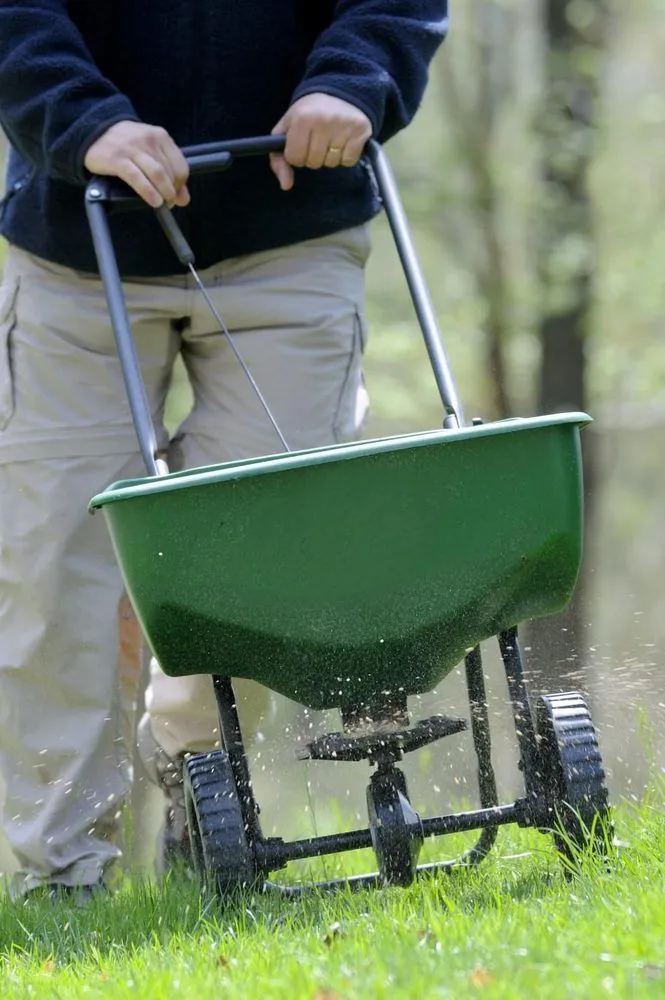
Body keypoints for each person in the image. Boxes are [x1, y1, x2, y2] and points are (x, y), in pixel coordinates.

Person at [0, 0, 448, 900]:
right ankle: (62, 879)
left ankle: (197, 779)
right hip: (75, 235)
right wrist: (85, 120)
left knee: (259, 551)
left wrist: (351, 82)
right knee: (56, 565)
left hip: (289, 231)